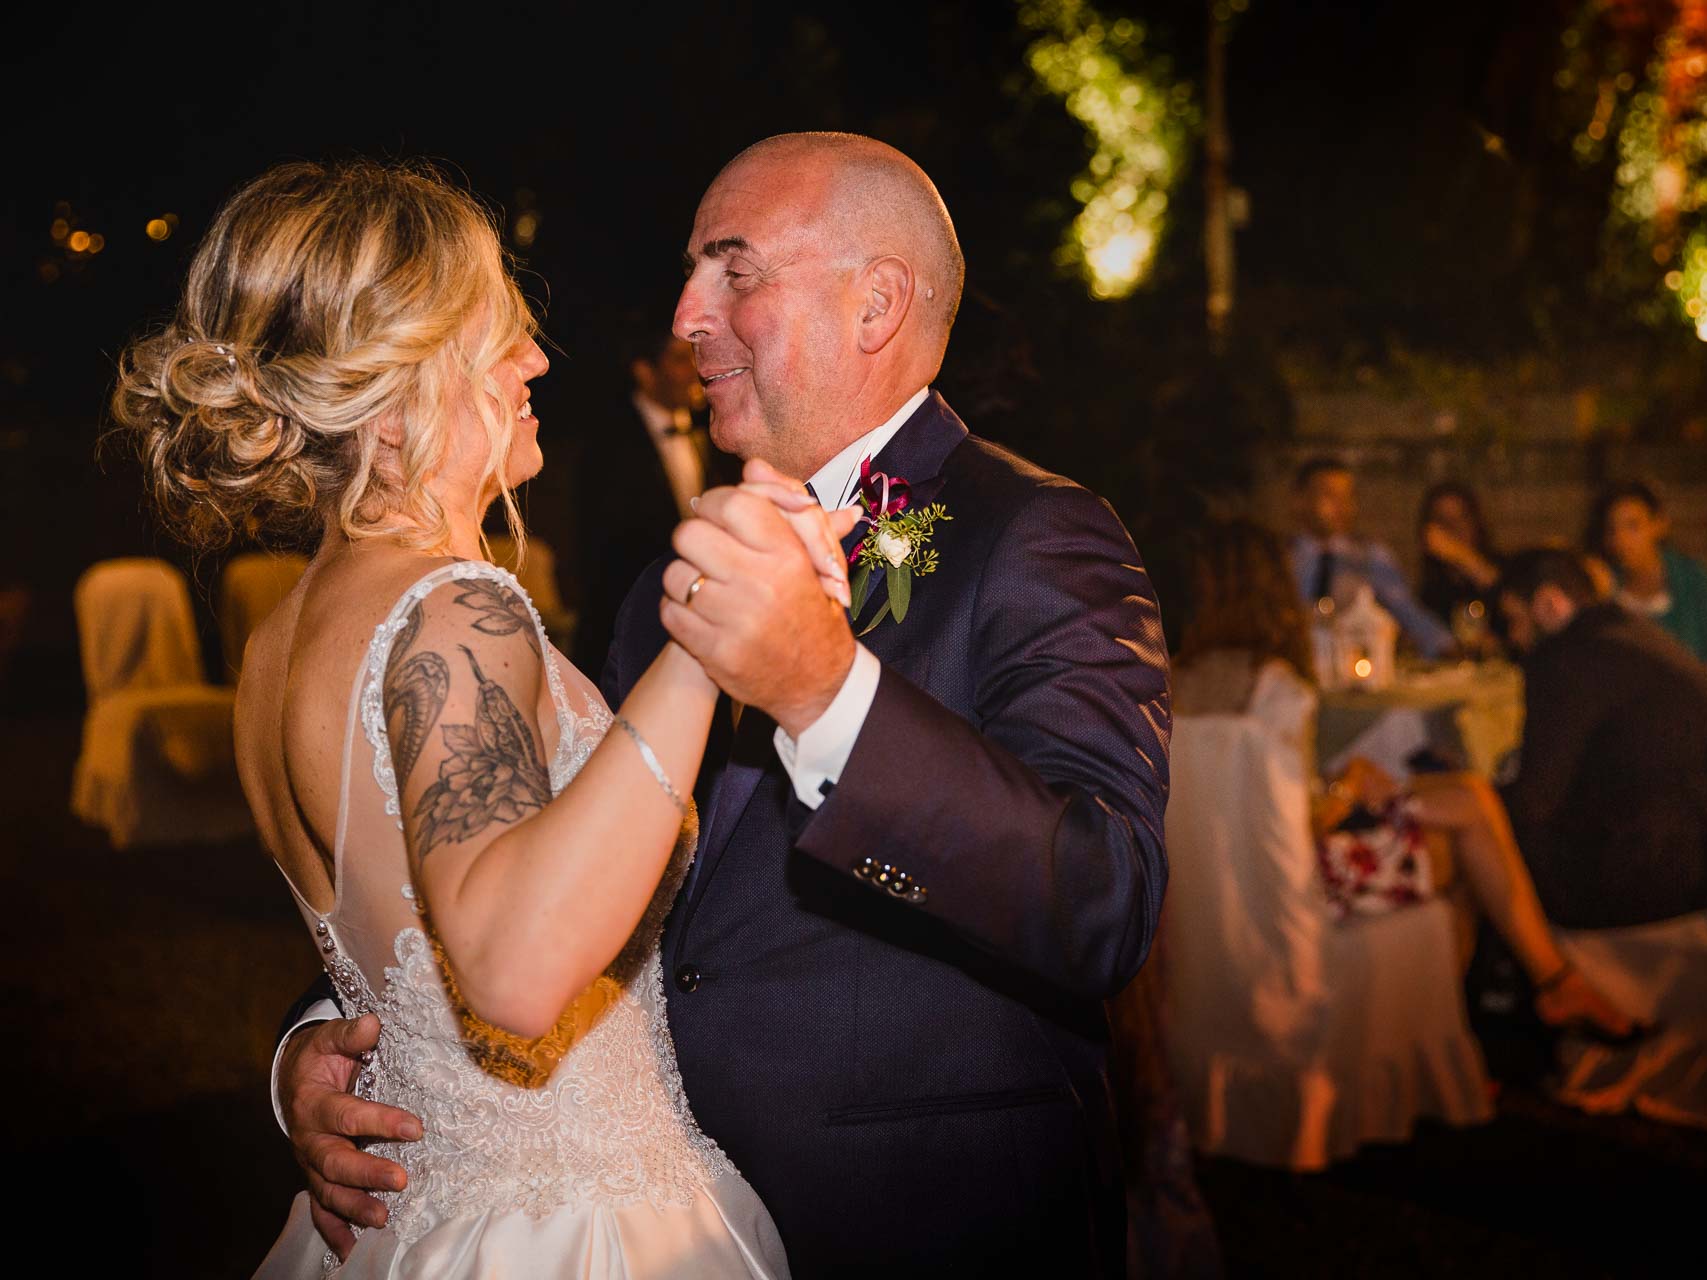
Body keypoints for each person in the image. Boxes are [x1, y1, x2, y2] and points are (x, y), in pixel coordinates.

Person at [278, 134, 1173, 1276]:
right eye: (691, 272)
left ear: (876, 303)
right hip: (645, 1219)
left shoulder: (1035, 533)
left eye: (734, 270)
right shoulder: (668, 572)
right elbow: (525, 844)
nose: (687, 315)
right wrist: (329, 1040)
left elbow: (1104, 897)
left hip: (922, 1220)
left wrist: (825, 693)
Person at [116, 159, 849, 1275]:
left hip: (409, 1218)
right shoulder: (456, 608)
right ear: (397, 393)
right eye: (497, 335)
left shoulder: (279, 640)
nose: (536, 360)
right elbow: (510, 970)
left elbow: (394, 944)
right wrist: (711, 641)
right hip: (568, 1228)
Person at [1175, 520, 1634, 1036]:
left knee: (1469, 794)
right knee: (1457, 842)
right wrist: (1346, 786)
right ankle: (1480, 1019)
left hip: (1213, 875)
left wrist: (1342, 782)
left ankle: (1544, 986)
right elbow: (1295, 825)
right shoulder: (1275, 688)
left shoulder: (1171, 682)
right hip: (1295, 884)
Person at [1497, 547, 1707, 929]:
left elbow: (1537, 799)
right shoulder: (1630, 633)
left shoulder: (1565, 658)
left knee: (1491, 842)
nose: (1514, 638)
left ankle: (1530, 965)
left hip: (1663, 875)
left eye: (1515, 620)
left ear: (1548, 604)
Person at [571, 328, 726, 673]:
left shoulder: (712, 431)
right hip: (627, 632)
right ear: (645, 371)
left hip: (696, 625)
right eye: (679, 359)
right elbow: (602, 556)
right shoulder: (608, 444)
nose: (695, 370)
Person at [1289, 456, 1454, 659]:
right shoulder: (1284, 559)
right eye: (1330, 496)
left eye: (1348, 497)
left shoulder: (1369, 557)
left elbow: (1408, 611)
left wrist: (1447, 645)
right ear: (1300, 501)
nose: (1342, 507)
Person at [1584, 479, 1707, 666]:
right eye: (1612, 529)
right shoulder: (1603, 585)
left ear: (1659, 524)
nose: (1621, 539)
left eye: (1633, 526)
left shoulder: (1695, 582)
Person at [1416, 480, 1501, 646]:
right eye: (1443, 521)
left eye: (1461, 518)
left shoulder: (1501, 569)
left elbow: (1507, 597)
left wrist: (1461, 556)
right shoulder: (1433, 586)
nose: (1453, 528)